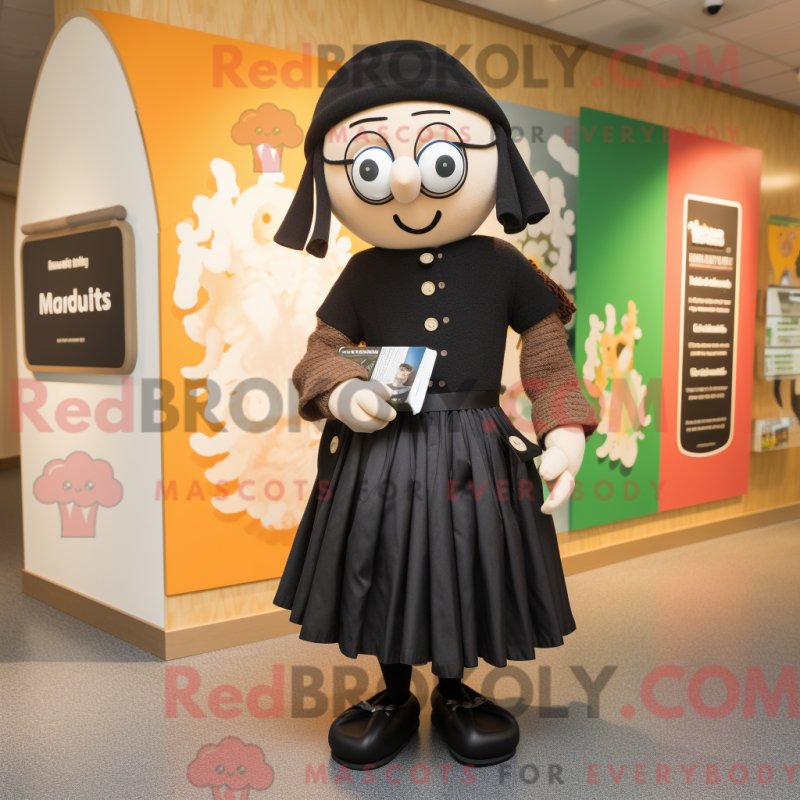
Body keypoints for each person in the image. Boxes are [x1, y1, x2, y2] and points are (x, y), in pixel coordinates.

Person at [273, 40, 597, 770]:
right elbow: (319, 353)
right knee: (382, 559)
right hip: (381, 450)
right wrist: (344, 389)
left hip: (478, 448)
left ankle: (454, 689)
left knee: (468, 562)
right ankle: (393, 691)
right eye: (373, 164)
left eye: (438, 156)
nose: (407, 179)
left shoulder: (506, 265)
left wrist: (564, 429)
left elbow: (547, 354)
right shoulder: (360, 273)